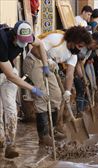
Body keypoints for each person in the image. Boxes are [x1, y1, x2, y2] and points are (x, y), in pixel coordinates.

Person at [23, 26, 92, 146]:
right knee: (42, 96)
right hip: (34, 61)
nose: (80, 49)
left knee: (56, 97)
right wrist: (48, 61)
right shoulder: (57, 39)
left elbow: (70, 73)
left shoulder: (73, 55)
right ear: (72, 41)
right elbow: (34, 50)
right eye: (79, 46)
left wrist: (67, 91)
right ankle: (43, 136)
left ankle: (52, 130)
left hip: (50, 68)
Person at [0, 20, 46, 158]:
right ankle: (1, 138)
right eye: (22, 40)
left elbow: (40, 44)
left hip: (8, 69)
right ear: (14, 35)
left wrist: (45, 64)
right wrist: (33, 89)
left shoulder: (28, 37)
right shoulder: (1, 41)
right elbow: (10, 76)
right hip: (4, 71)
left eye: (27, 40)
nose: (25, 43)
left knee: (11, 108)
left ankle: (10, 144)